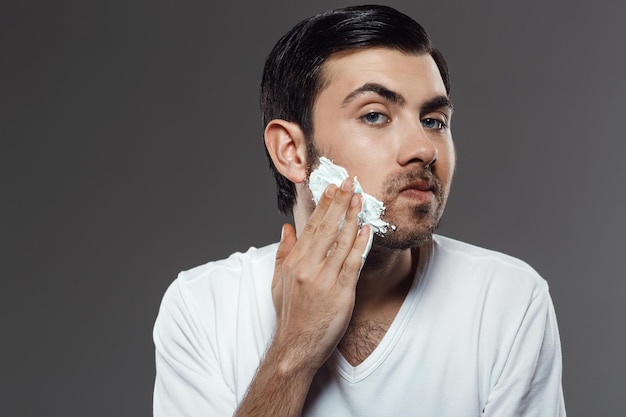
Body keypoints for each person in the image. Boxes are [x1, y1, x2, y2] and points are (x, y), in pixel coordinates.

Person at [153, 5, 566, 416]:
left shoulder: (506, 301)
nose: (423, 148)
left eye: (434, 120)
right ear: (291, 151)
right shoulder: (202, 308)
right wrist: (292, 353)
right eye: (374, 115)